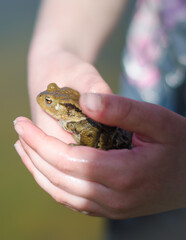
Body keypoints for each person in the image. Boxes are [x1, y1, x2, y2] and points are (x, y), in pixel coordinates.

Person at [13, 0, 186, 239]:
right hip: (148, 82)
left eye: (51, 102)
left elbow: (91, 133)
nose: (45, 99)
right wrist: (55, 49)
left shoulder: (76, 121)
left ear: (64, 109)